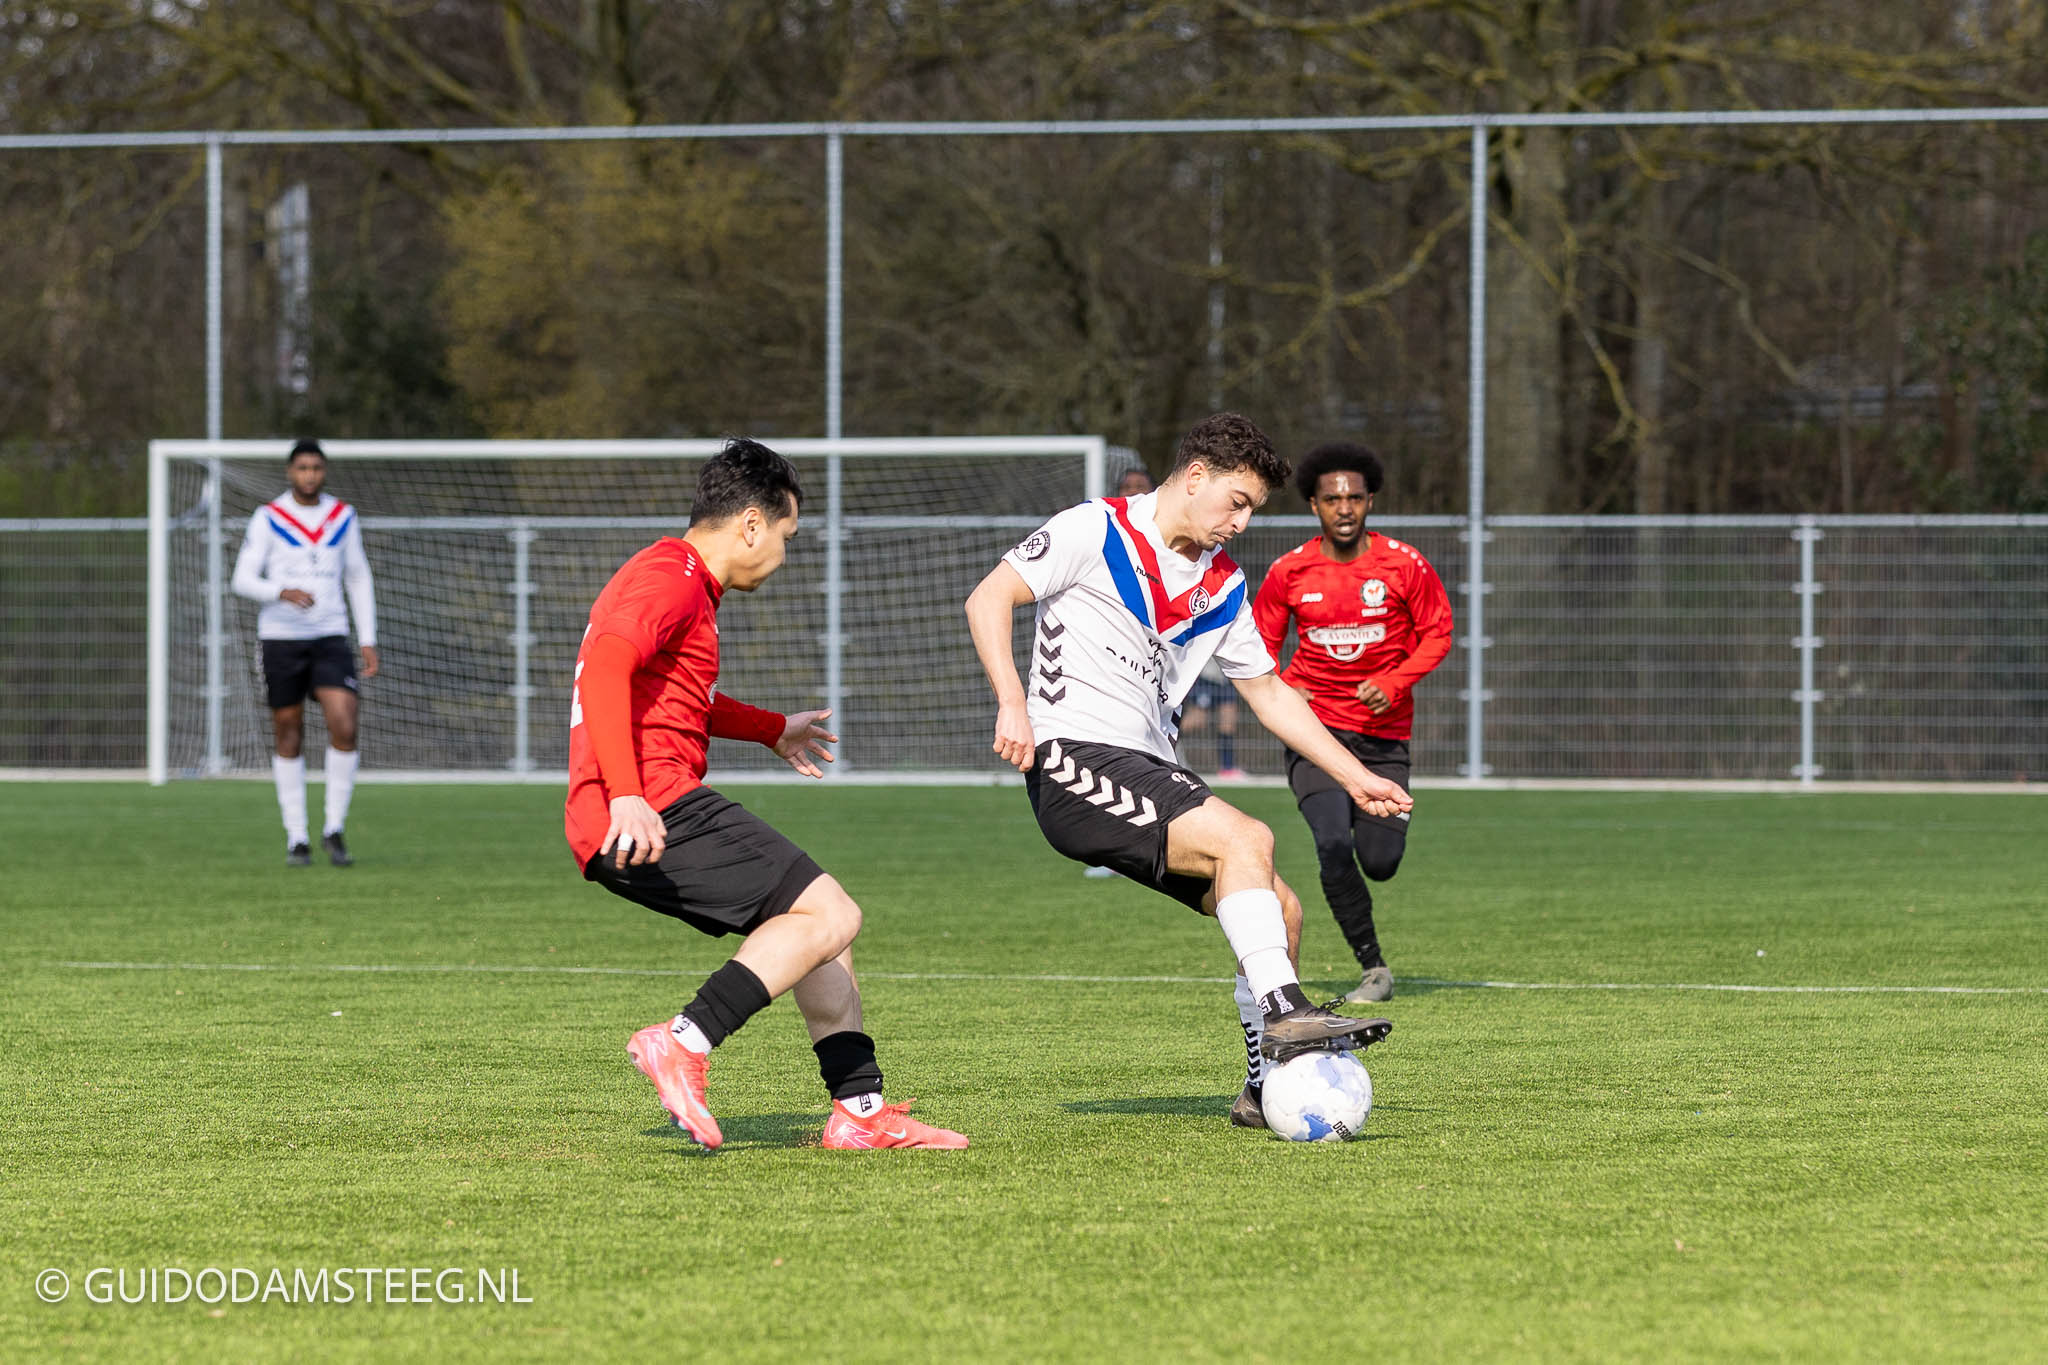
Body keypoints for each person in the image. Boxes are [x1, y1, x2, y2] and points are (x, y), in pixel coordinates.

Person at [965, 412, 1413, 1131]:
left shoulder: (1222, 584)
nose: (1241, 522)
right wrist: (1012, 703)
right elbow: (988, 596)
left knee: (1283, 911)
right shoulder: (1095, 529)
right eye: (1237, 502)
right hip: (1073, 758)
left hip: (1147, 770)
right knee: (1248, 837)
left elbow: (1269, 693)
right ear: (1196, 477)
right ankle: (1286, 1011)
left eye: (1252, 510)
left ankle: (1263, 1088)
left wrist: (1354, 775)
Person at [569, 438, 967, 1153]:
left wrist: (772, 728)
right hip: (647, 801)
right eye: (787, 535)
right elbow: (603, 668)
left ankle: (859, 1109)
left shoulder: (675, 576)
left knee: (821, 923)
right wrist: (627, 793)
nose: (784, 555)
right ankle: (683, 1040)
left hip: (639, 799)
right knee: (832, 912)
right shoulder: (673, 578)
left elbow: (680, 696)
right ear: (752, 524)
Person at [1252, 442, 1453, 1004]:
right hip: (1315, 737)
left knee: (1380, 862)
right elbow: (1257, 646)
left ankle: (1378, 870)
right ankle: (1373, 967)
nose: (1344, 508)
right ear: (1314, 505)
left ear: (1370, 502)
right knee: (1332, 844)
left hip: (1383, 740)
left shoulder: (1404, 564)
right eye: (1332, 499)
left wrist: (1395, 682)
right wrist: (1283, 684)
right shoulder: (1289, 571)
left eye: (1355, 498)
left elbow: (1438, 632)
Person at [230, 438, 378, 867]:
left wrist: (367, 637)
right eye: (302, 468)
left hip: (330, 636)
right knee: (288, 731)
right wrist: (281, 591)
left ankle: (334, 828)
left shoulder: (342, 516)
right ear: (290, 472)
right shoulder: (269, 517)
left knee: (344, 723)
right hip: (280, 638)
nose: (309, 475)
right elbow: (242, 579)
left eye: (316, 467)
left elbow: (358, 577)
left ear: (324, 472)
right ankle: (296, 836)